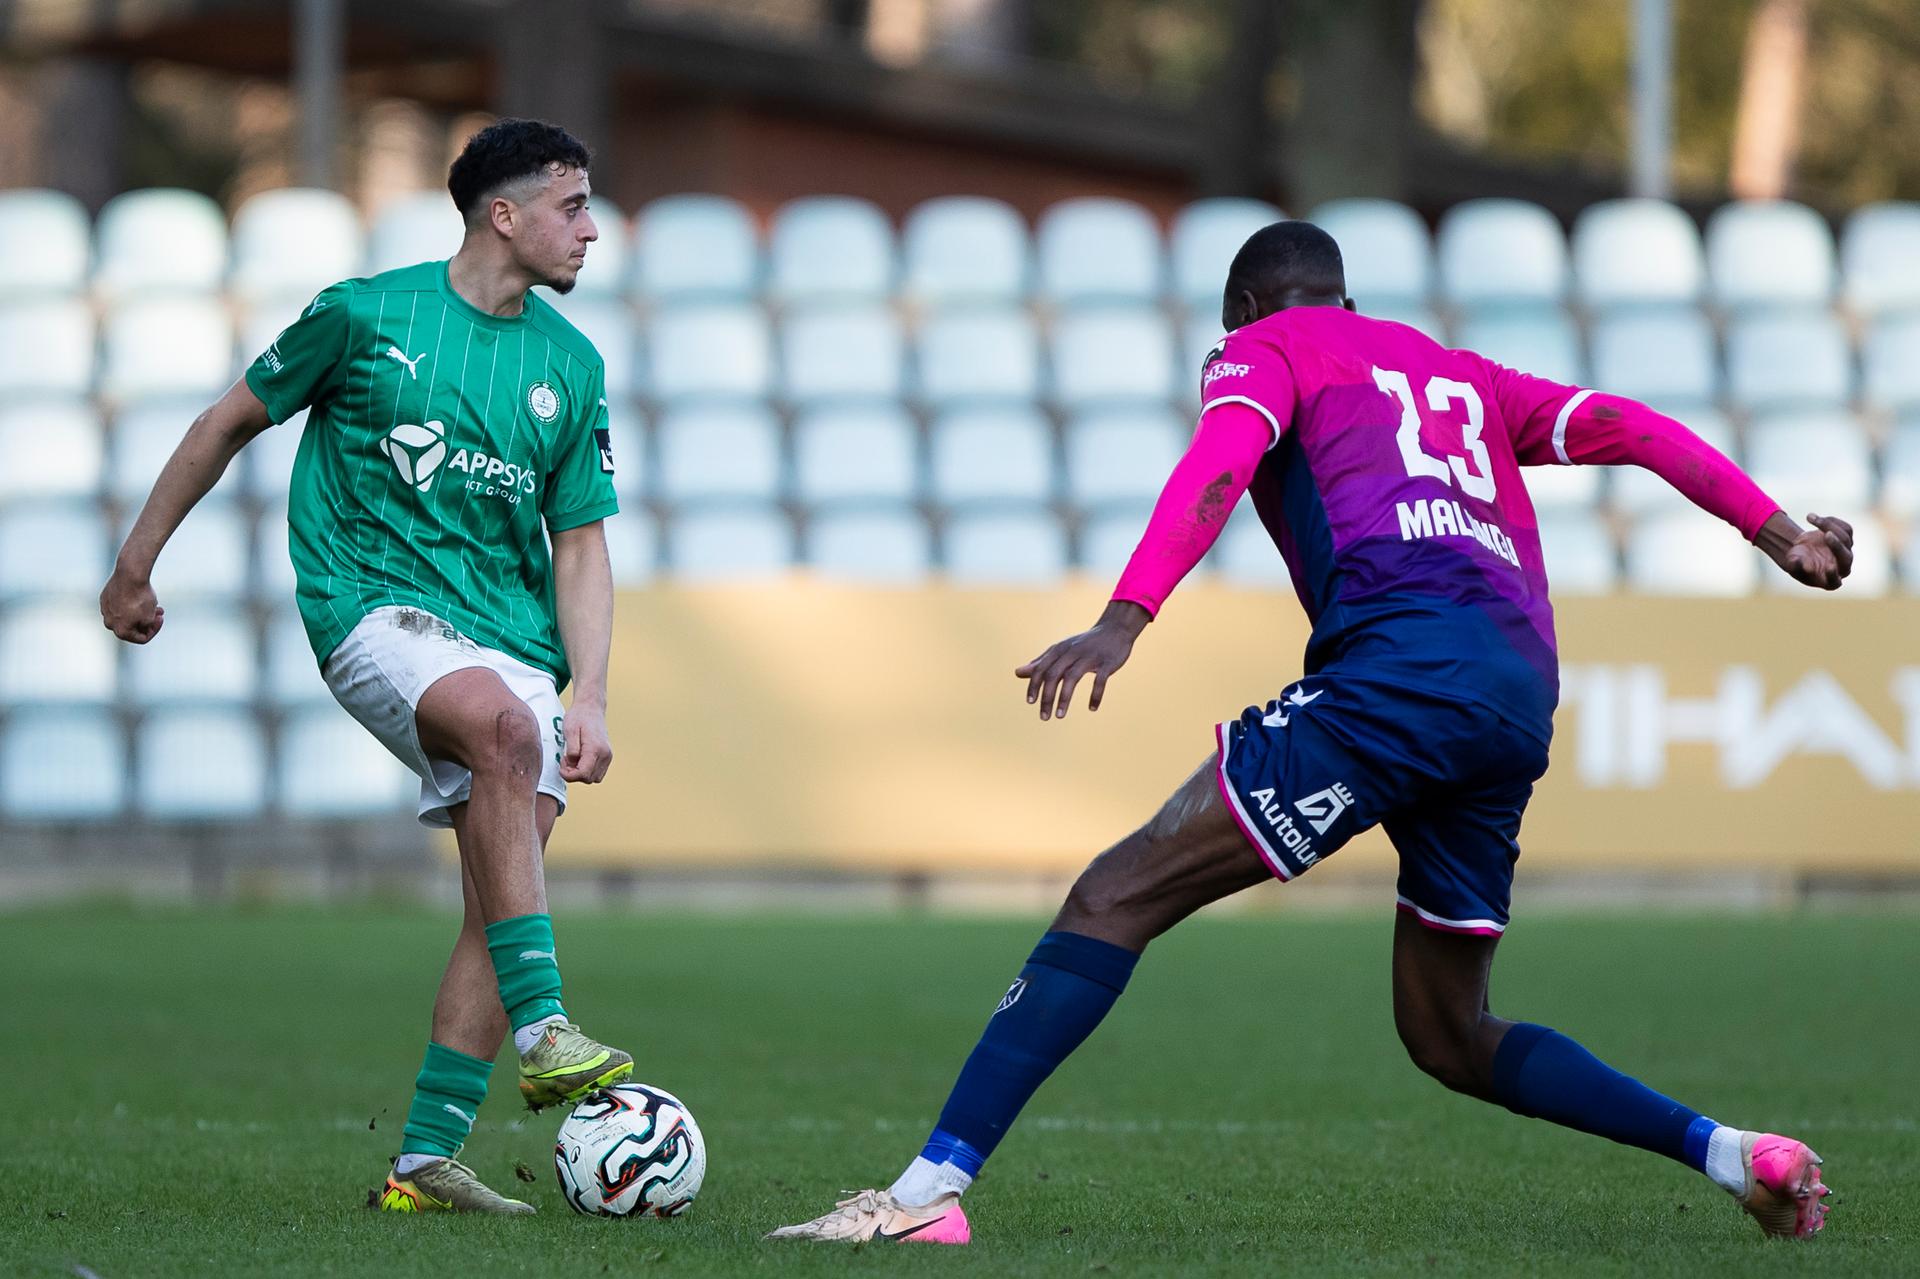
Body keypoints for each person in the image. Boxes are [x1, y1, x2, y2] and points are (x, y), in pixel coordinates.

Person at [769, 220, 1850, 1246]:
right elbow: (1631, 424)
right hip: (1515, 695)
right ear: (1350, 298)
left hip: (1398, 677)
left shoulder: (1266, 347)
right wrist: (1779, 533)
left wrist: (1125, 616)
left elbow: (1221, 462)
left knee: (1114, 894)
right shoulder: (1459, 372)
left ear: (1240, 311)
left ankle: (927, 1193)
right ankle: (1729, 1154)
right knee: (1448, 1034)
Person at [100, 118, 633, 1215]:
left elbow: (580, 539)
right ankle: (545, 1030)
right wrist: (135, 566)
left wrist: (595, 688)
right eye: (572, 206)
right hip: (372, 605)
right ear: (505, 214)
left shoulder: (571, 365)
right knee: (500, 735)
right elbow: (224, 423)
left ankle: (425, 1163)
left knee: (504, 885)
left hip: (510, 635)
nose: (590, 229)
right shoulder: (365, 313)